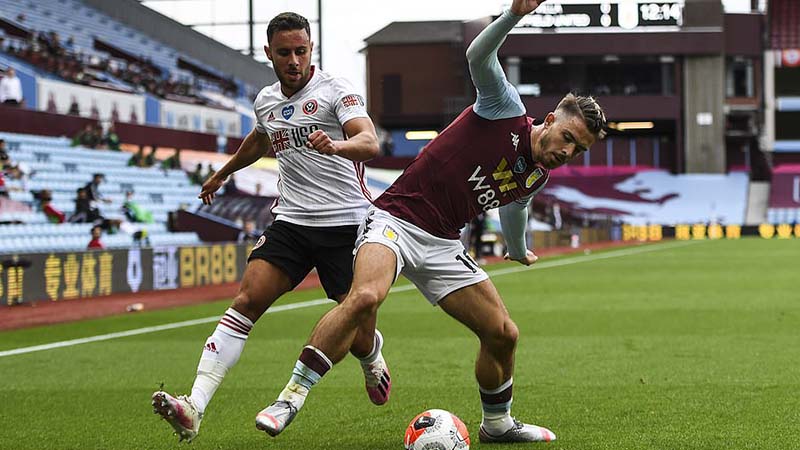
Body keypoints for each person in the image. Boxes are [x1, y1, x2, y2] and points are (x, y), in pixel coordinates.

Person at [256, 0, 607, 443]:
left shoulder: (537, 174)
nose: (568, 152)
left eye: (579, 150)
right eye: (568, 139)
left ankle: (497, 424)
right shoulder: (505, 107)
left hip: (443, 243)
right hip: (395, 219)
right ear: (551, 119)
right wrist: (513, 16)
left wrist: (517, 250)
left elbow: (513, 209)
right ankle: (289, 397)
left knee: (503, 333)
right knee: (364, 297)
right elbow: (478, 57)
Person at [151, 11, 386, 443]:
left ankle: (372, 360)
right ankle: (194, 405)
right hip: (291, 222)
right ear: (268, 54)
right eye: (284, 53)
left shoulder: (337, 92)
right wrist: (223, 172)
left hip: (345, 225)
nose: (294, 60)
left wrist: (337, 145)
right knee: (246, 301)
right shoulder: (266, 100)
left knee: (357, 328)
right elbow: (261, 137)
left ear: (311, 49)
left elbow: (370, 142)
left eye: (301, 51)